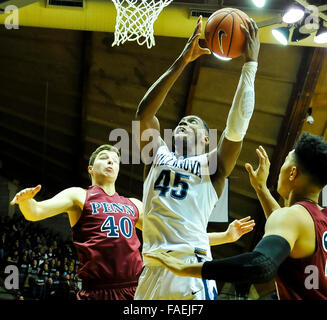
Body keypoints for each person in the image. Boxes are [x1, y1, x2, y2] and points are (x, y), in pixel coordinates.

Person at [134, 15, 260, 300]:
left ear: (206, 139)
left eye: (192, 122)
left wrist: (250, 66)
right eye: (181, 120)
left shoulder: (213, 166)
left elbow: (237, 127)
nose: (183, 122)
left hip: (190, 268)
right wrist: (183, 59)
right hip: (151, 269)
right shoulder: (156, 155)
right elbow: (144, 113)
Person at [145, 132, 327, 300]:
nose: (280, 169)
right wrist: (261, 188)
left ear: (293, 173)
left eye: (285, 162)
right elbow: (289, 226)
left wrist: (185, 268)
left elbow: (261, 264)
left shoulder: (293, 217)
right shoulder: (317, 218)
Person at [10, 144, 144, 300]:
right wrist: (26, 201)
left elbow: (161, 233)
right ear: (90, 169)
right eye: (104, 158)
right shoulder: (78, 195)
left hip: (135, 289)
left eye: (115, 160)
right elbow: (36, 212)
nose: (110, 162)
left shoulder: (134, 203)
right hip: (97, 291)